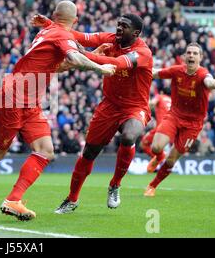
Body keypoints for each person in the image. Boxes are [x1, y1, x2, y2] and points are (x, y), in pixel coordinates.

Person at [0, 0, 116, 221]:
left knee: (45, 150)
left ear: (55, 16)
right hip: (12, 98)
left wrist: (94, 55)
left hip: (30, 101)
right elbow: (74, 57)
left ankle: (13, 200)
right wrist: (100, 67)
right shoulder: (60, 35)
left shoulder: (49, 31)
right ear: (75, 21)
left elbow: (59, 65)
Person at [32, 12, 153, 212]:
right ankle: (72, 199)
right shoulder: (109, 40)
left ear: (136, 33)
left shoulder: (142, 53)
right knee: (88, 153)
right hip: (109, 106)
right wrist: (49, 24)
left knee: (129, 136)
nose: (119, 28)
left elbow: (117, 63)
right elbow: (80, 36)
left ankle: (115, 184)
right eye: (119, 23)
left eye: (124, 26)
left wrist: (83, 55)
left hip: (135, 107)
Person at [144, 43, 215, 197]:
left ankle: (152, 186)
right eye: (189, 53)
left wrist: (213, 84)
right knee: (155, 147)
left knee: (172, 158)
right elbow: (155, 73)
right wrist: (139, 69)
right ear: (184, 56)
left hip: (193, 125)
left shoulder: (203, 74)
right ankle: (157, 157)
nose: (191, 56)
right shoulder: (177, 70)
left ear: (200, 57)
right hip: (174, 116)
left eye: (195, 53)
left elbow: (208, 80)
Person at [139, 93, 172, 173]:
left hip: (161, 127)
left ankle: (160, 158)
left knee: (143, 144)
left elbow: (152, 103)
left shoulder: (159, 96)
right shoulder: (172, 100)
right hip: (172, 127)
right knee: (162, 147)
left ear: (161, 92)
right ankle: (164, 163)